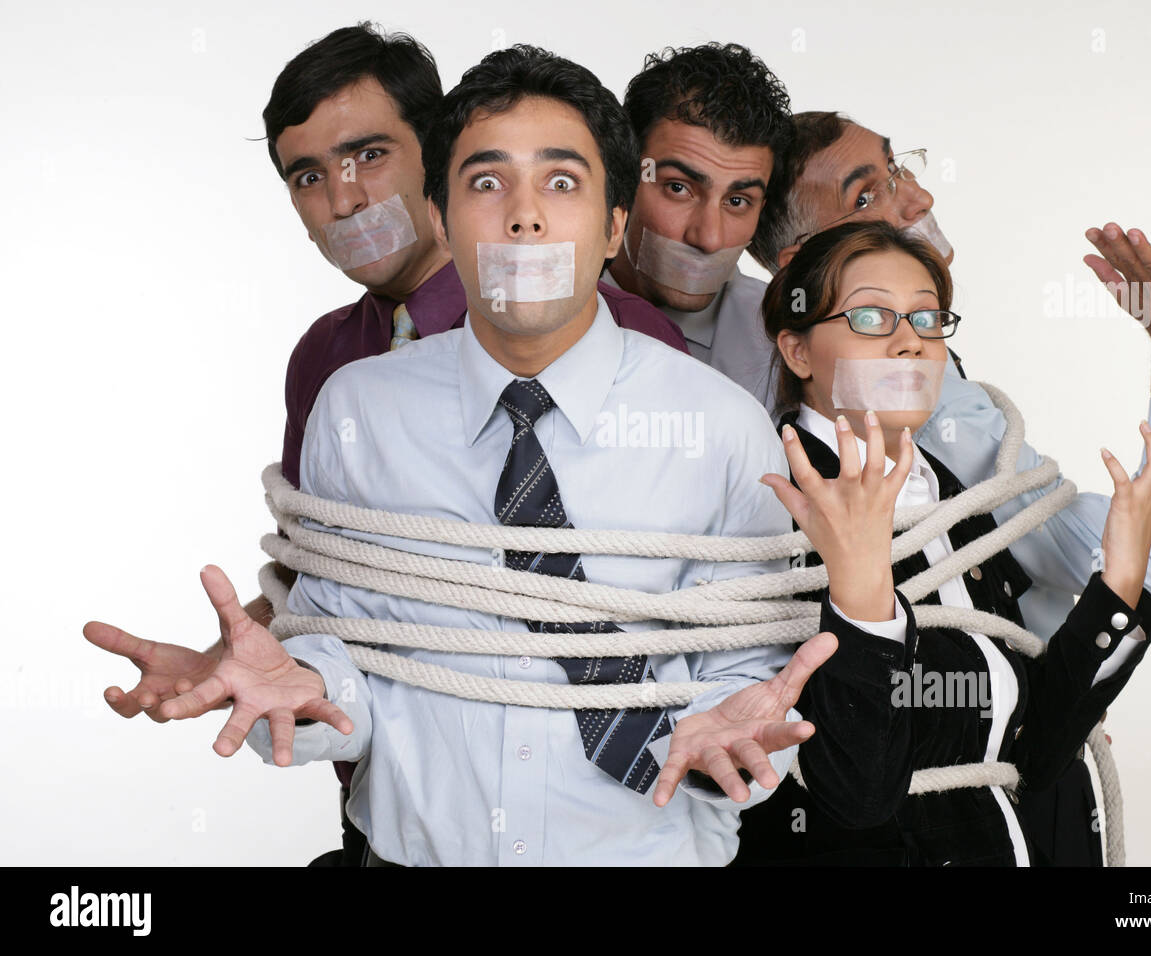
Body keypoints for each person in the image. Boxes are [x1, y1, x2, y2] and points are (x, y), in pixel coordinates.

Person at [149, 45, 839, 866]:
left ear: (615, 222)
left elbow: (749, 669)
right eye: (486, 183)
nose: (524, 216)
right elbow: (353, 652)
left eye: (561, 182)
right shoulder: (357, 408)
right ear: (440, 216)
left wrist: (739, 740)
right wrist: (306, 688)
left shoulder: (721, 426)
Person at [81, 23, 688, 867]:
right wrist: (219, 661)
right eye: (309, 175)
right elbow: (331, 580)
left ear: (439, 158)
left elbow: (690, 593)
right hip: (389, 807)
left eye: (368, 154)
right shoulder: (326, 363)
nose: (345, 197)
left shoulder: (615, 332)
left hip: (603, 824)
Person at [745, 110, 1151, 863]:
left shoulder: (959, 488)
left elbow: (1030, 749)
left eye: (928, 320)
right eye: (872, 316)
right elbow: (855, 790)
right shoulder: (760, 496)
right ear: (796, 342)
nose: (909, 340)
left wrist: (1119, 579)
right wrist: (864, 597)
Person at [603, 43, 794, 413]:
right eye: (679, 188)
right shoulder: (539, 306)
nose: (708, 238)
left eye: (737, 201)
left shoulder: (786, 348)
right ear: (623, 178)